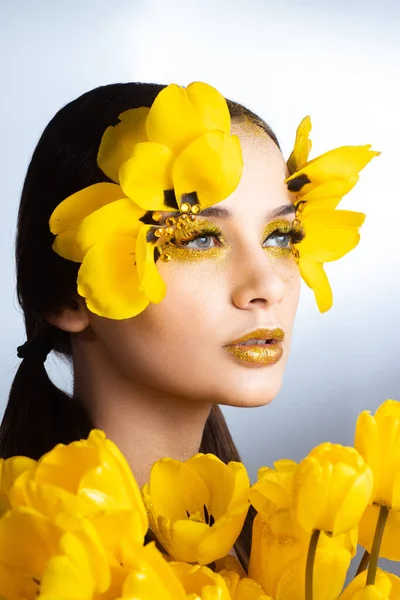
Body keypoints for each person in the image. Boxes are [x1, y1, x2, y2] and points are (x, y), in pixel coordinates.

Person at [0, 81, 378, 569]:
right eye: (196, 238)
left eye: (282, 235)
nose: (269, 284)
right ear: (68, 299)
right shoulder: (25, 560)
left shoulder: (272, 551)